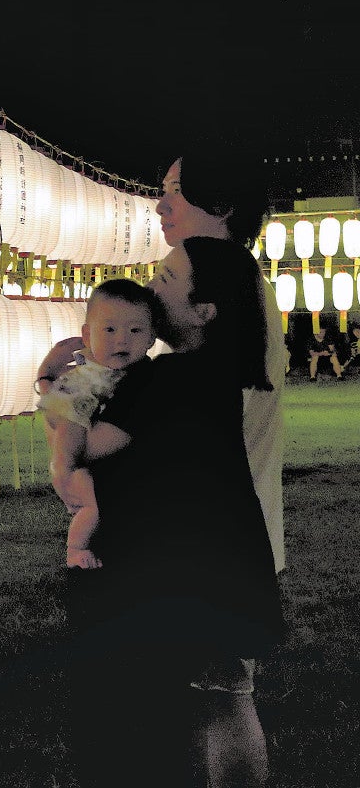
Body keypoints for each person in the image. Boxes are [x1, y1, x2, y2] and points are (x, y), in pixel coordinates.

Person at [39, 237, 285, 788]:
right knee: (224, 698)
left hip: (179, 574)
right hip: (217, 566)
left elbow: (84, 448)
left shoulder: (165, 380)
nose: (149, 290)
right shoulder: (208, 373)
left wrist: (54, 385)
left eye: (166, 282)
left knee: (187, 707)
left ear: (204, 311)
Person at [154, 141, 287, 575]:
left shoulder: (230, 294)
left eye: (176, 190)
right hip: (232, 543)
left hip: (212, 550)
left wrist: (65, 393)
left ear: (223, 205)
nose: (161, 206)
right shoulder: (238, 282)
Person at [37, 278, 157, 569]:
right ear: (88, 334)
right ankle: (75, 549)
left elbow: (65, 421)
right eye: (110, 329)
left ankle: (76, 548)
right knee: (90, 504)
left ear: (152, 337)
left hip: (93, 474)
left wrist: (46, 379)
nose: (122, 340)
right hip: (73, 467)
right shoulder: (88, 372)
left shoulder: (142, 379)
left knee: (92, 505)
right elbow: (61, 417)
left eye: (135, 330)